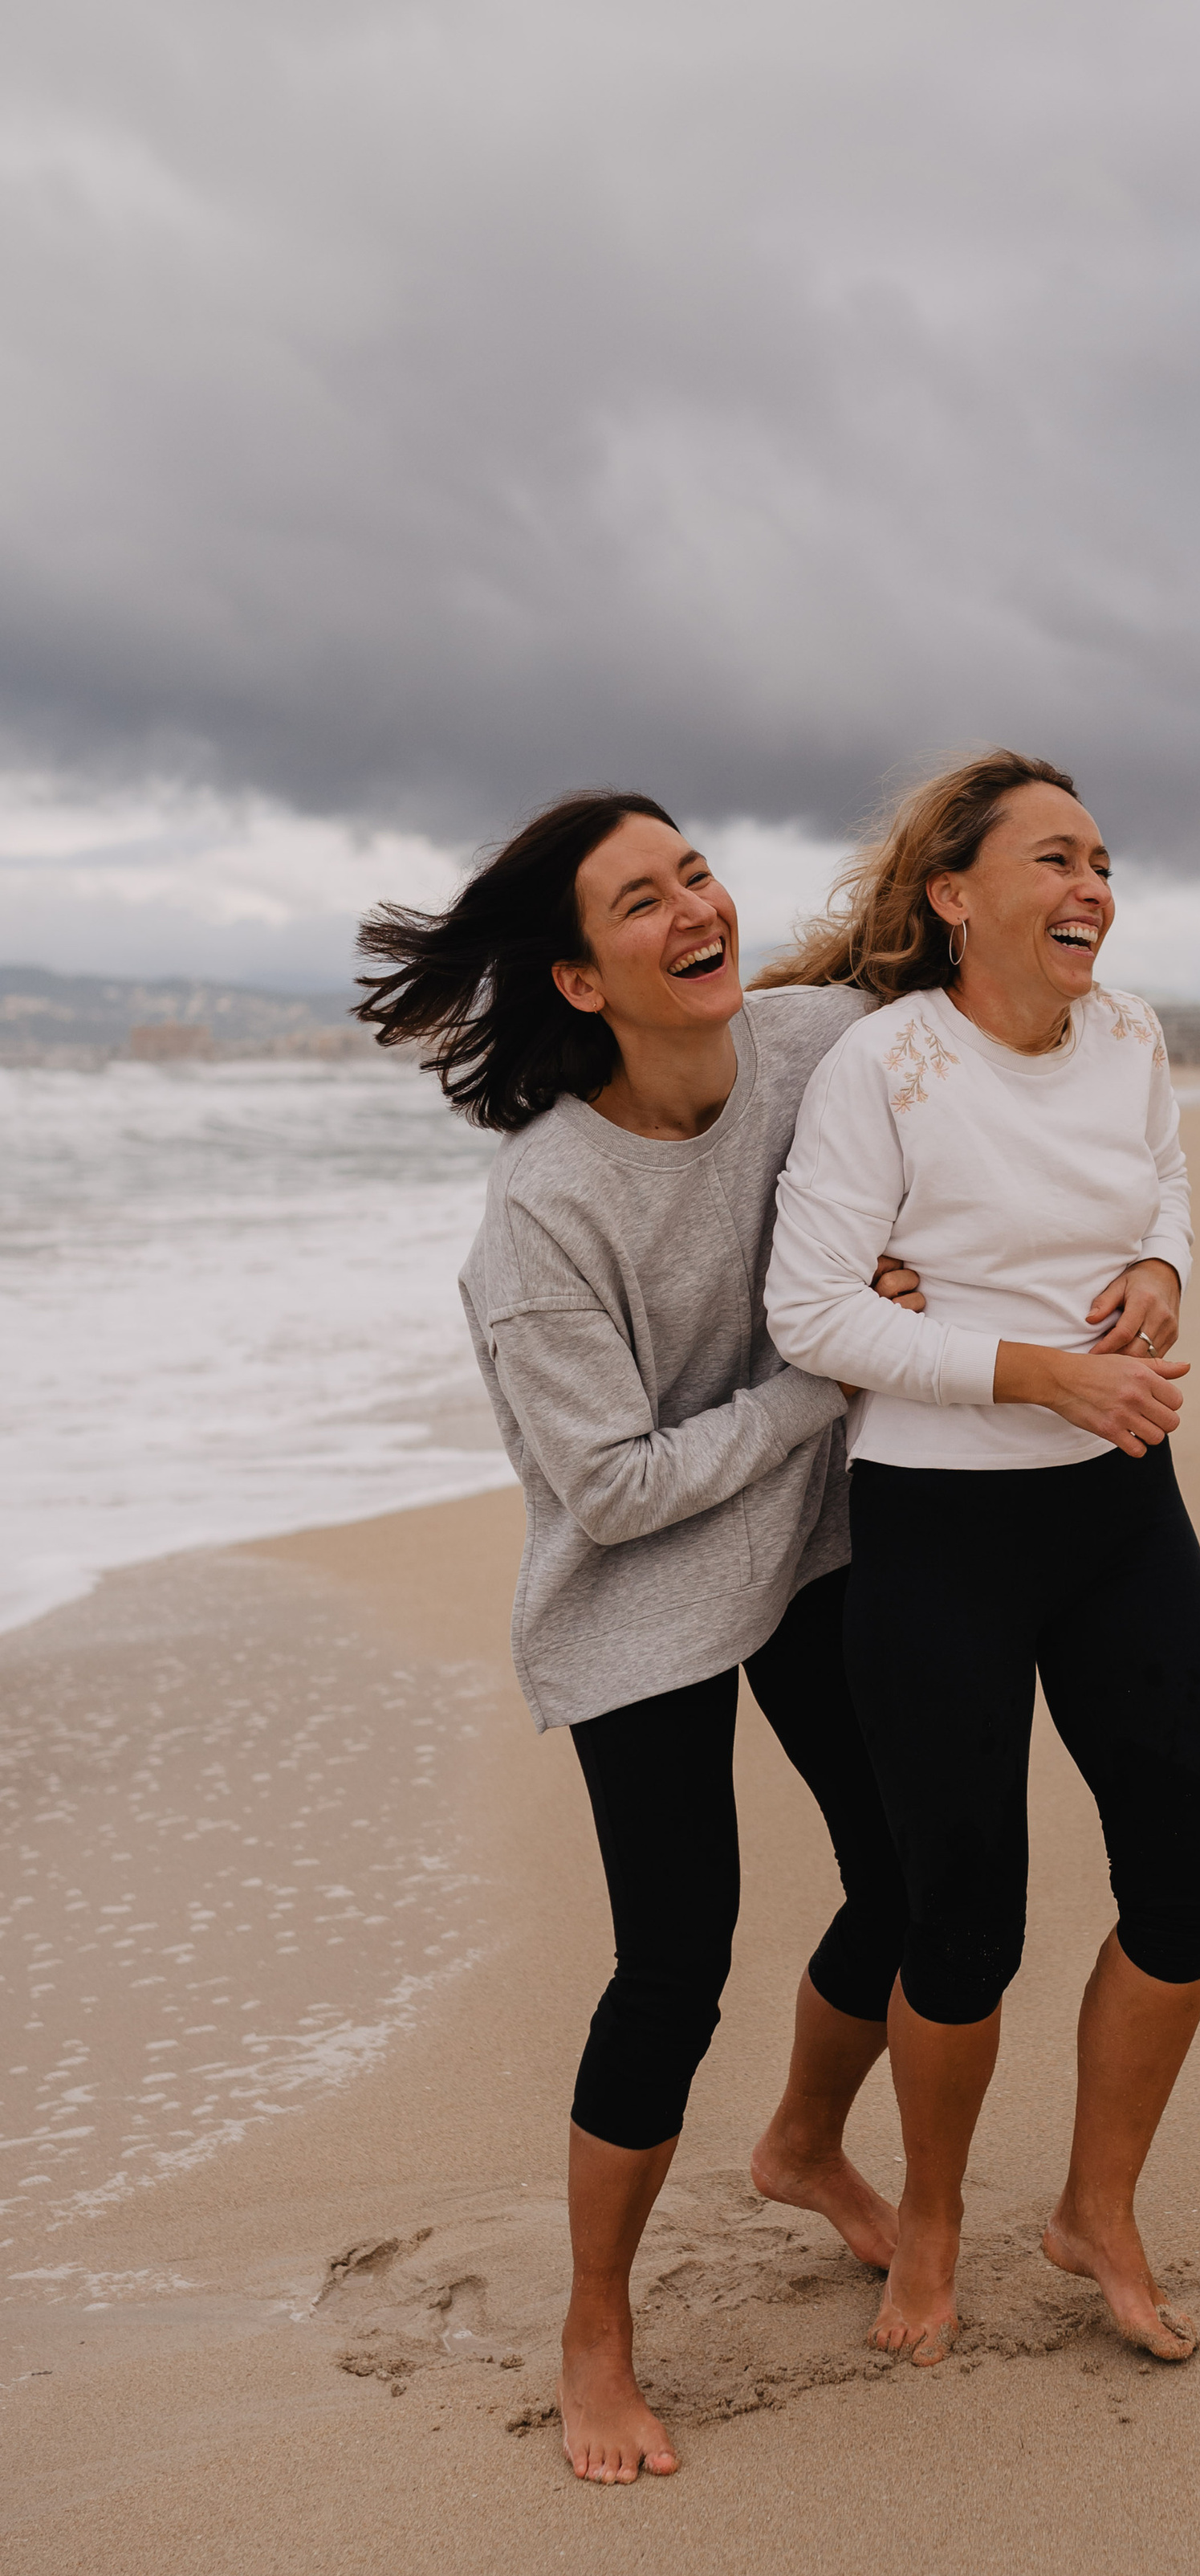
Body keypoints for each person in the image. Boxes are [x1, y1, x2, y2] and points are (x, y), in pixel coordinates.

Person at [356, 792, 917, 2484]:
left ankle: (805, 2146)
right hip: (641, 1596)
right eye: (639, 900)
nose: (692, 908)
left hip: (806, 1544)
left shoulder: (810, 1046)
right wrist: (822, 1375)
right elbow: (603, 1489)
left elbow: (950, 1021)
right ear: (580, 980)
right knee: (674, 1960)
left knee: (913, 1873)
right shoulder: (544, 1213)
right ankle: (593, 2327)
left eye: (696, 874)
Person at [762, 752, 1200, 2367]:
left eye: (1102, 856)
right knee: (961, 1921)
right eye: (1053, 857)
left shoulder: (1126, 1037)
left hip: (1116, 1506)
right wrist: (1033, 1370)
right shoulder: (885, 1067)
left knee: (1188, 1871)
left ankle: (1096, 2209)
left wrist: (1161, 1272)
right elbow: (810, 1313)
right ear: (954, 897)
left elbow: (1157, 1183)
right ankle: (935, 2224)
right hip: (938, 1519)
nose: (1092, 884)